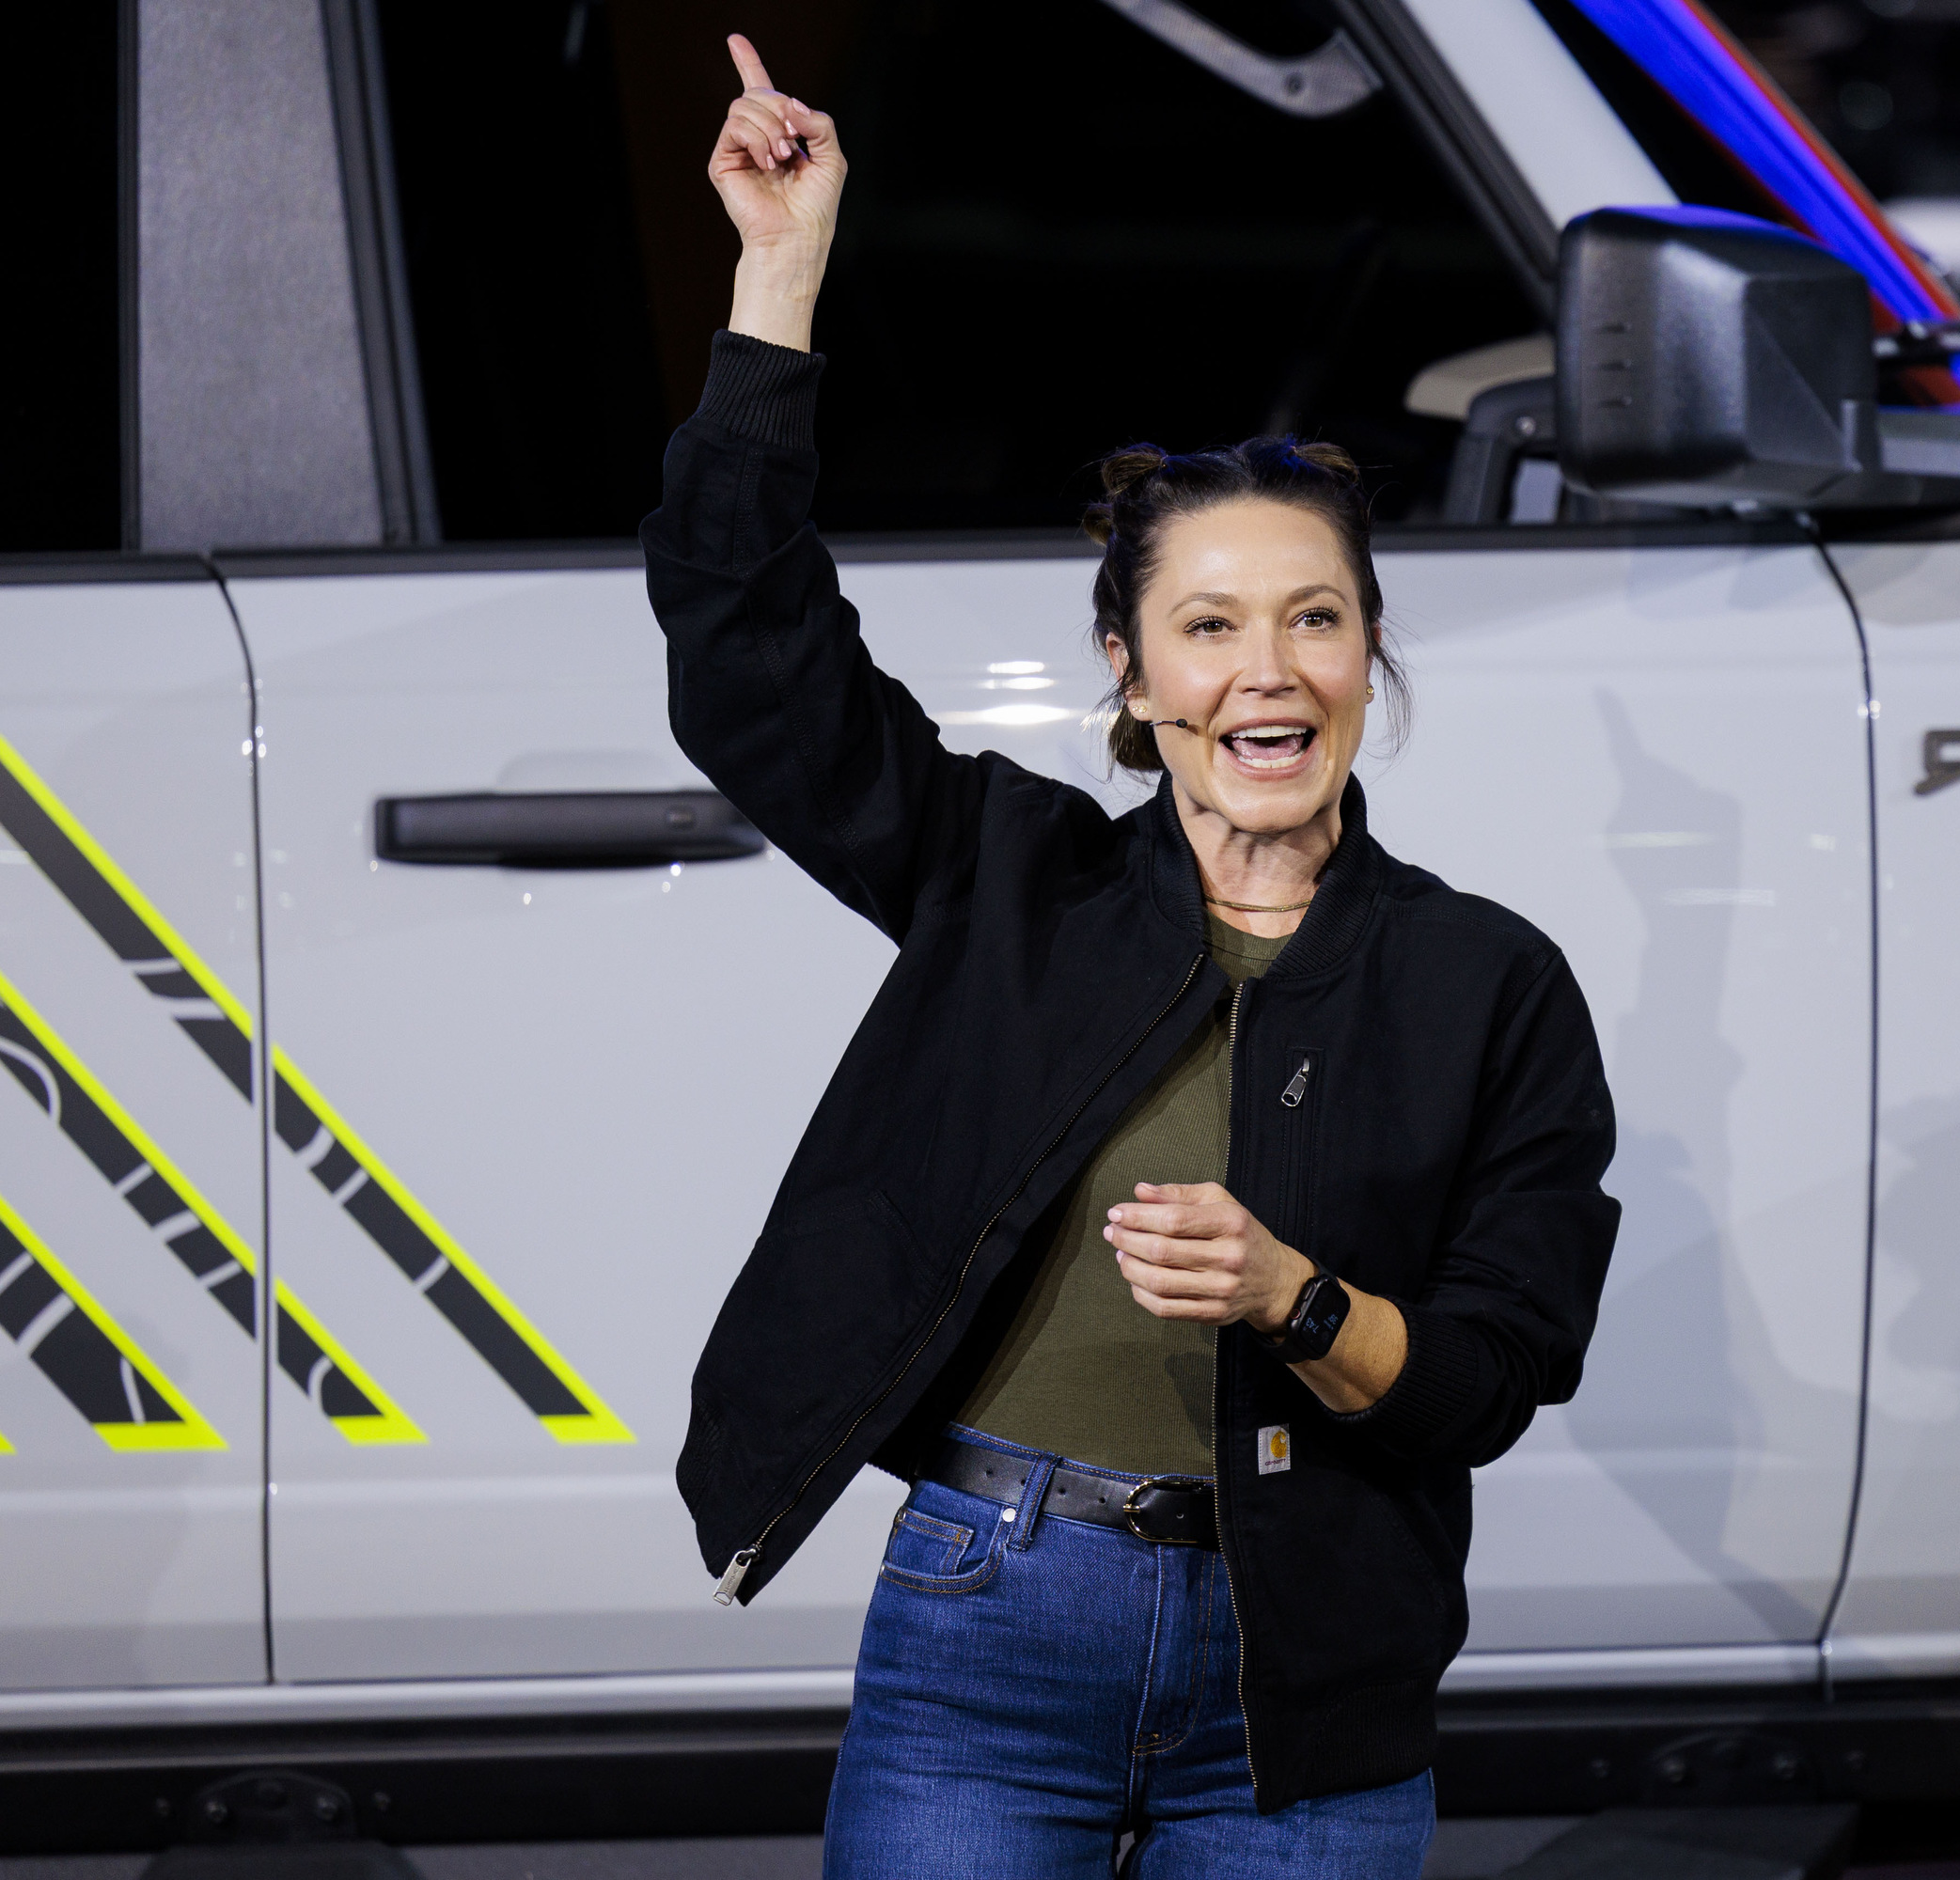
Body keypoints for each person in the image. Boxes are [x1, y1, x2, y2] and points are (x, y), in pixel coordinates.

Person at [643, 35, 1621, 1878]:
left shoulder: (1485, 986)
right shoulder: (1007, 880)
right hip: (992, 1614)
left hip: (1313, 1672)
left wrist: (1293, 1299)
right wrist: (778, 277)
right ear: (1132, 669)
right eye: (1210, 624)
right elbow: (748, 660)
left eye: (1315, 616)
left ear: (1371, 652)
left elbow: (1490, 1375)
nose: (1269, 668)